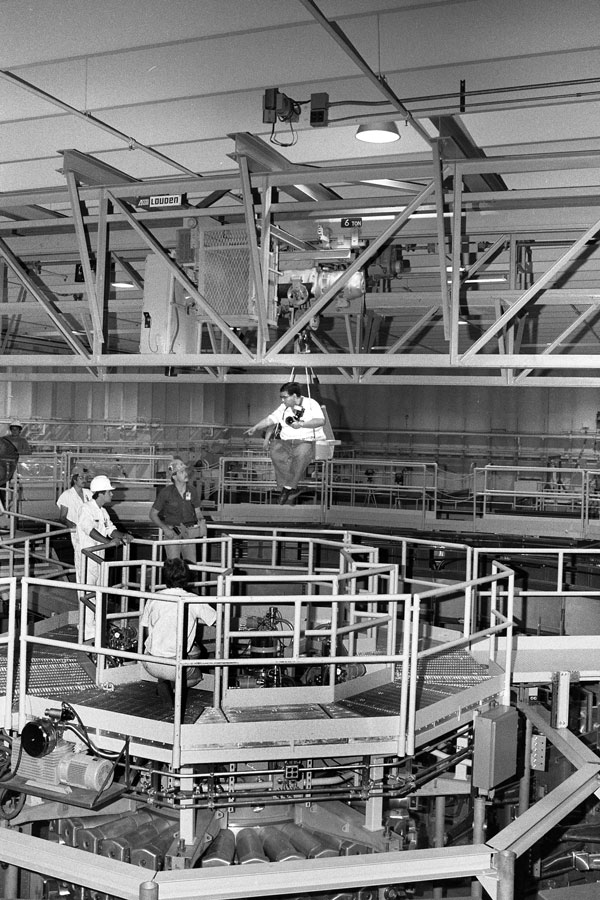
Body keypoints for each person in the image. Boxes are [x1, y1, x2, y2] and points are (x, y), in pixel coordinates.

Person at [245, 381, 326, 505]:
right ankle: (291, 487)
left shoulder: (311, 404)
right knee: (275, 452)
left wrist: (301, 424)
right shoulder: (284, 407)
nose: (282, 400)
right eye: (281, 397)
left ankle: (287, 489)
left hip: (306, 440)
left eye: (284, 397)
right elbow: (270, 419)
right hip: (286, 441)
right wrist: (256, 427)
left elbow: (320, 421)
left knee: (301, 455)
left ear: (294, 396)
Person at [140, 558, 216, 687]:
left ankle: (165, 682)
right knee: (197, 676)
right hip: (175, 667)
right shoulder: (193, 600)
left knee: (193, 649)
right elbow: (218, 621)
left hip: (149, 662)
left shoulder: (154, 597)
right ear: (186, 578)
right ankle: (174, 686)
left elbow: (146, 628)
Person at [76, 474, 131, 640]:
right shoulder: (86, 508)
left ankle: (94, 626)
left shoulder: (103, 511)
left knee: (98, 592)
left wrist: (123, 535)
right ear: (100, 493)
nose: (112, 494)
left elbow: (109, 528)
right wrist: (108, 543)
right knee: (87, 593)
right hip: (87, 558)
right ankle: (86, 631)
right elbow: (89, 530)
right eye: (109, 491)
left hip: (99, 559)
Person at [149, 457, 207, 562]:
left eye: (185, 471)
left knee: (191, 565)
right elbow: (153, 514)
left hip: (189, 532)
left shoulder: (192, 490)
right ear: (174, 476)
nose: (186, 474)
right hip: (173, 533)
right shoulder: (166, 493)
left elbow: (197, 511)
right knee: (173, 566)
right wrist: (165, 529)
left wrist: (201, 520)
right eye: (181, 472)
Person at [56, 466, 92, 583]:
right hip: (77, 532)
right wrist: (70, 524)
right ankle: (81, 587)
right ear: (75, 480)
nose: (84, 480)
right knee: (81, 560)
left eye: (86, 478)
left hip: (90, 530)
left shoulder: (89, 493)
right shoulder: (67, 495)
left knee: (92, 561)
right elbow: (62, 517)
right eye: (81, 478)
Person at [0, 420, 31, 504]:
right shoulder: (5, 439)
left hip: (14, 466)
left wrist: (17, 453)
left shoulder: (22, 441)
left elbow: (28, 452)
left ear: (19, 430)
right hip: (4, 465)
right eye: (13, 429)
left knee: (4, 483)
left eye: (16, 429)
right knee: (2, 484)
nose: (14, 431)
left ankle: (3, 504)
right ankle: (3, 504)